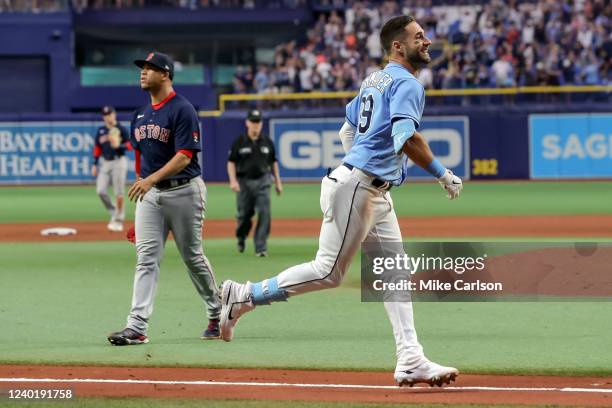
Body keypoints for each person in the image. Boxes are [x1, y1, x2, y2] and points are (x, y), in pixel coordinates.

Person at [218, 16, 464, 387]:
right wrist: (443, 174)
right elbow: (407, 139)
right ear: (398, 46)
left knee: (394, 275)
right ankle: (244, 296)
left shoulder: (374, 79)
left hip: (367, 188)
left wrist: (359, 165)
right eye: (418, 37)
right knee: (330, 272)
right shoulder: (407, 83)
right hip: (360, 188)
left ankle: (411, 358)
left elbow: (347, 128)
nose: (426, 41)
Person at [107, 51, 221, 345]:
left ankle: (217, 310)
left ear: (166, 74)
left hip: (185, 190)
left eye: (150, 68)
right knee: (145, 259)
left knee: (192, 257)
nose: (143, 72)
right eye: (142, 68)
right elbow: (140, 157)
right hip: (151, 195)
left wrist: (150, 180)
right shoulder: (140, 114)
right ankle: (136, 326)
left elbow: (184, 157)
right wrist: (141, 197)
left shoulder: (182, 109)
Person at [227, 109, 283, 257]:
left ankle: (261, 247)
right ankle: (241, 236)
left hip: (263, 181)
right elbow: (231, 162)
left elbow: (273, 163)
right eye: (253, 122)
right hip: (244, 182)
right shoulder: (239, 141)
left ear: (261, 124)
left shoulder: (267, 142)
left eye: (258, 122)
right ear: (247, 123)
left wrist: (278, 182)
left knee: (264, 214)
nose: (255, 125)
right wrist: (233, 181)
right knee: (244, 215)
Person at [91, 106, 130, 232]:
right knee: (100, 190)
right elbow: (97, 147)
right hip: (105, 162)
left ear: (114, 114)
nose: (108, 116)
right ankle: (114, 211)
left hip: (119, 161)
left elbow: (131, 145)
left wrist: (120, 146)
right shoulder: (101, 130)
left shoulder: (121, 129)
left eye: (110, 114)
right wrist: (94, 163)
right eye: (105, 115)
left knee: (119, 192)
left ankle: (118, 220)